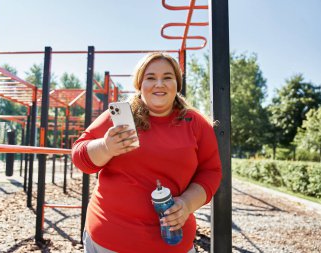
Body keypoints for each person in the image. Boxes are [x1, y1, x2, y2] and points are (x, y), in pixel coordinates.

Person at [72, 52, 222, 253]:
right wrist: (106, 147)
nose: (159, 84)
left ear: (177, 84)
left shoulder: (195, 124)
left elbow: (211, 172)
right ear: (139, 84)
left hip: (173, 243)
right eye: (150, 78)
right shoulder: (120, 117)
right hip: (109, 240)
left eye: (167, 77)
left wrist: (186, 204)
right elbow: (80, 157)